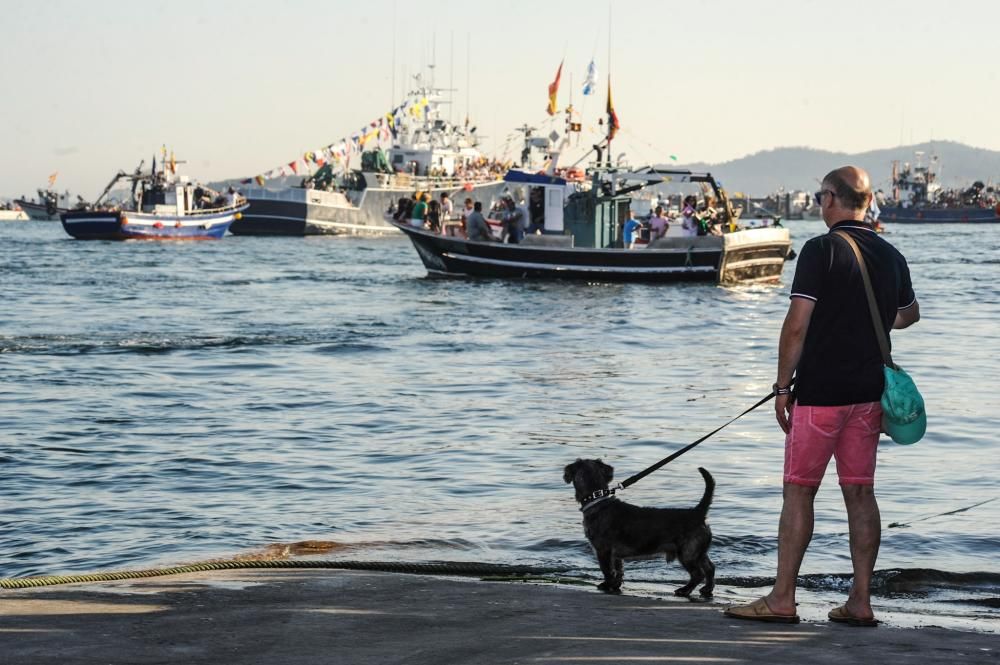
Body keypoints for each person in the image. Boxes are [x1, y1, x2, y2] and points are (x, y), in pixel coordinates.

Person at [723, 166, 920, 627]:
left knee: (799, 491)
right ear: (867, 203)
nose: (818, 203)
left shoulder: (820, 249)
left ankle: (783, 598)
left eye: (819, 195)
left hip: (820, 395)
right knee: (860, 493)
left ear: (831, 199)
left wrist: (780, 387)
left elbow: (796, 323)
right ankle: (861, 601)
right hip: (869, 396)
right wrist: (863, 319)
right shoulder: (891, 254)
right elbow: (909, 316)